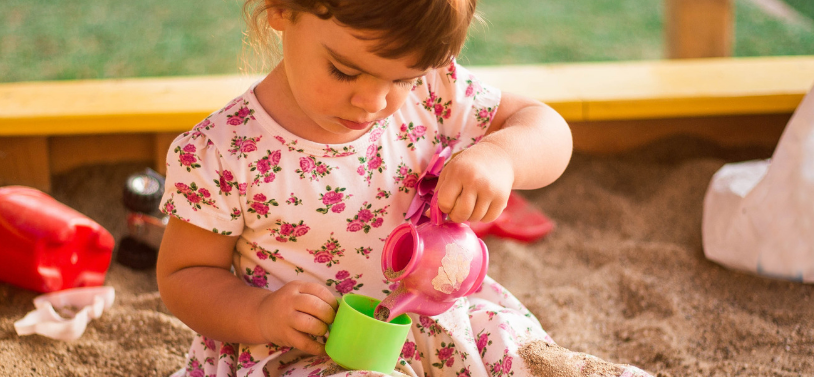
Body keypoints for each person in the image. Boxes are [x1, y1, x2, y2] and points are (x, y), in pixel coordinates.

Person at [156, 0, 650, 375]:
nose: (373, 101)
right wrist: (260, 314)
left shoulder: (434, 92)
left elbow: (545, 127)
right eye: (345, 70)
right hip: (306, 349)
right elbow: (185, 275)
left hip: (442, 321)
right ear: (282, 9)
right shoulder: (222, 152)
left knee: (519, 350)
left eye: (403, 79)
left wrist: (500, 157)